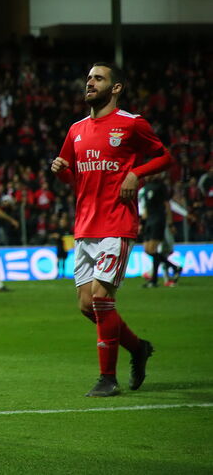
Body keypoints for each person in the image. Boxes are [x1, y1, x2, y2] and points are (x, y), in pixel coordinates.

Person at [51, 61, 172, 397]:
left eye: (98, 78)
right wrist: (60, 168)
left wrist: (137, 174)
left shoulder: (132, 124)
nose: (90, 82)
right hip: (85, 225)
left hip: (116, 222)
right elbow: (73, 178)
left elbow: (164, 157)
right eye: (88, 77)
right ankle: (138, 348)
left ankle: (108, 378)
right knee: (86, 305)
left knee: (103, 297)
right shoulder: (75, 130)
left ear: (116, 87)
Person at [138, 173, 182, 287]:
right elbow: (146, 208)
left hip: (158, 220)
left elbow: (167, 205)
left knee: (153, 249)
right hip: (149, 221)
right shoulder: (146, 189)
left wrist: (170, 223)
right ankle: (174, 267)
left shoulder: (160, 187)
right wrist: (142, 224)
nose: (148, 176)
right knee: (148, 250)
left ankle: (154, 281)